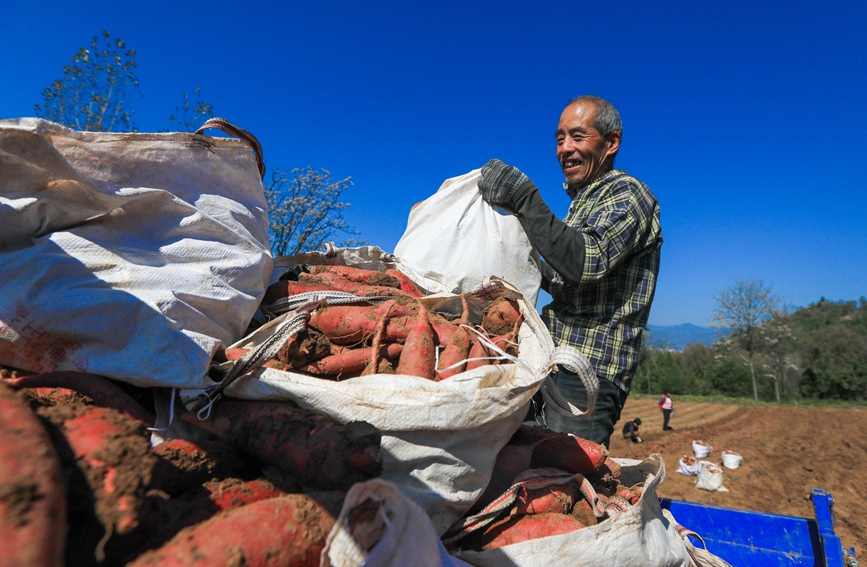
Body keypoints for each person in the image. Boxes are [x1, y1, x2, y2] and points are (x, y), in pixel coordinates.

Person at [478, 95, 662, 448]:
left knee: (559, 481)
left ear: (611, 143)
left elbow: (585, 262)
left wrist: (524, 199)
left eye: (578, 136)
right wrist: (513, 253)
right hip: (548, 360)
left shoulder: (629, 193)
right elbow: (563, 278)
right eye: (560, 138)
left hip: (587, 372)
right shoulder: (581, 205)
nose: (565, 148)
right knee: (516, 461)